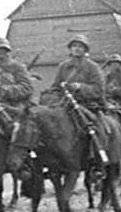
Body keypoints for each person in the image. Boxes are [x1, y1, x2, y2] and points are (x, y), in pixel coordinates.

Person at [42, 34, 107, 164]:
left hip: (86, 104)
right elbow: (56, 86)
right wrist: (50, 93)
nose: (77, 49)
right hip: (65, 104)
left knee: (96, 127)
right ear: (70, 49)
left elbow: (99, 89)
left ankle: (96, 159)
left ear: (85, 50)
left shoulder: (92, 67)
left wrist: (80, 87)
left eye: (80, 46)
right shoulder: (63, 66)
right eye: (74, 46)